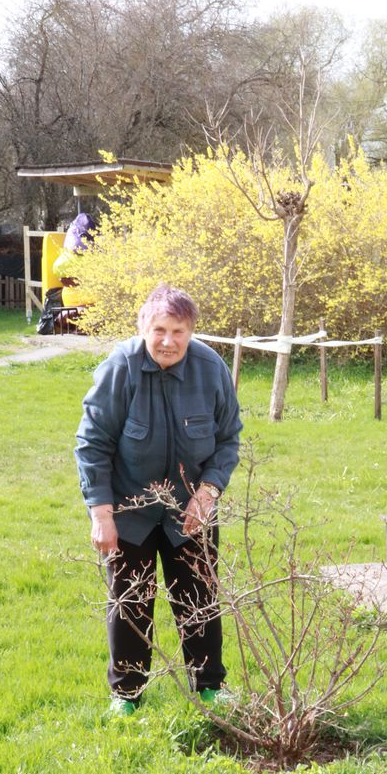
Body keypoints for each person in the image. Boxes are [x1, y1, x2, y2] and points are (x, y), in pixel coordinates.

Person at [75, 284, 242, 717]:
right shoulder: (120, 368)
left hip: (191, 510)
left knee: (200, 597)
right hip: (129, 510)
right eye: (159, 330)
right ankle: (126, 694)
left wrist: (208, 493)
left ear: (191, 331)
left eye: (179, 331)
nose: (168, 341)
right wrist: (101, 514)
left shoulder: (211, 368)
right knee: (130, 599)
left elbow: (227, 441)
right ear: (143, 328)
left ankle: (209, 685)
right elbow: (92, 444)